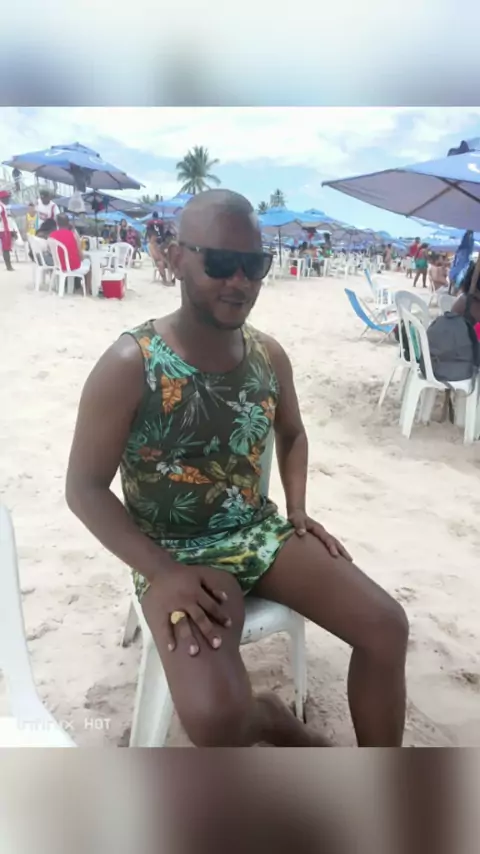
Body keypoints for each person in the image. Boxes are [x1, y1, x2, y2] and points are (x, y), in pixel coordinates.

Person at [66, 189, 408, 748]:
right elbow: (83, 489)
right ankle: (272, 720)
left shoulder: (268, 355)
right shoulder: (132, 363)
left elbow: (293, 433)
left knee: (386, 627)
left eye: (255, 264)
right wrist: (163, 572)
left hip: (258, 532)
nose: (240, 281)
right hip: (172, 549)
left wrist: (298, 509)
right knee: (216, 721)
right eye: (221, 263)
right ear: (176, 257)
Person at [50, 213, 92, 293]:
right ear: (68, 223)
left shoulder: (52, 235)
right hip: (72, 266)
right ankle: (87, 290)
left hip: (58, 265)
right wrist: (82, 259)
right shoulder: (73, 235)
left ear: (57, 223)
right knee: (89, 265)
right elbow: (80, 255)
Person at [0, 190, 14, 270]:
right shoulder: (1, 206)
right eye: (7, 198)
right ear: (3, 198)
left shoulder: (4, 206)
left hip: (4, 229)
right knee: (6, 248)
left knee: (6, 248)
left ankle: (9, 266)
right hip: (3, 230)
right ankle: (9, 266)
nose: (8, 199)